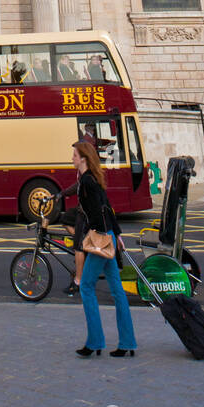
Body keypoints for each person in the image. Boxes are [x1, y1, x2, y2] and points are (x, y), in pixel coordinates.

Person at [74, 136, 137, 359]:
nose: (72, 159)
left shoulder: (87, 182)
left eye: (74, 156)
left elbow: (99, 213)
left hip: (101, 238)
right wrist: (116, 233)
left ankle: (94, 341)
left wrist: (96, 236)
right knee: (117, 290)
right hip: (108, 235)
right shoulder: (91, 179)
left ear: (82, 159)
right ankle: (127, 342)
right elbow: (107, 207)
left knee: (86, 287)